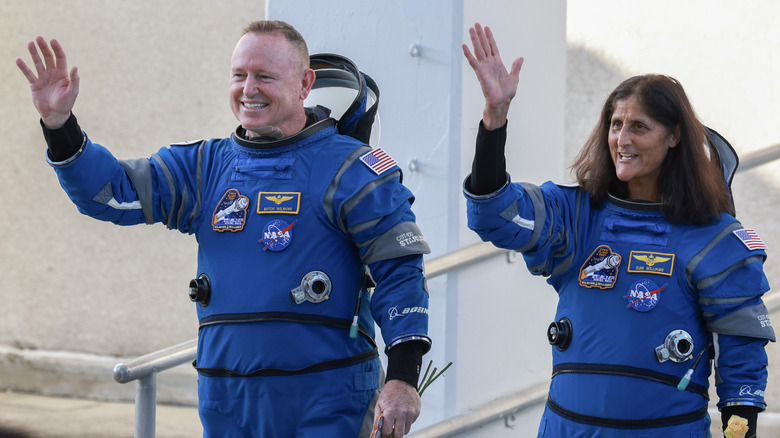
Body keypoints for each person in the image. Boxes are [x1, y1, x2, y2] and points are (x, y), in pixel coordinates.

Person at [17, 20, 431, 438]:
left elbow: (400, 274)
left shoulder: (353, 169)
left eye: (264, 76)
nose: (248, 89)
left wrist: (402, 378)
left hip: (329, 401)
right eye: (239, 75)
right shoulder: (204, 168)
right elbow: (112, 193)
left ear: (305, 84)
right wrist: (60, 125)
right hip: (228, 402)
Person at [461, 23, 774, 437]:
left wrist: (742, 426)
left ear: (675, 136)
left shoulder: (714, 237)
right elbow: (493, 215)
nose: (621, 139)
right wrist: (495, 117)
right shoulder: (574, 214)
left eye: (638, 127)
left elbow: (742, 356)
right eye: (615, 124)